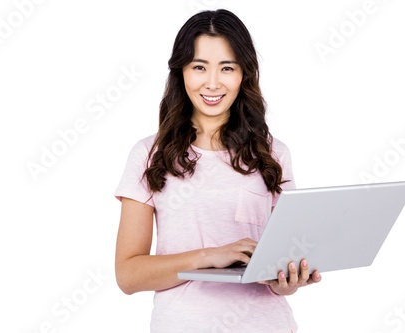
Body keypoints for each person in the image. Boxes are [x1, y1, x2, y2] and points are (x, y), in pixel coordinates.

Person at [114, 9, 321, 332]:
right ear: (181, 72)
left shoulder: (273, 153)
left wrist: (287, 281)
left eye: (227, 68)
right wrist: (210, 255)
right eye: (199, 67)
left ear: (244, 74)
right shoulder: (148, 155)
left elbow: (281, 264)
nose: (212, 83)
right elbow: (128, 276)